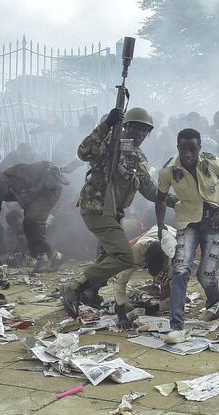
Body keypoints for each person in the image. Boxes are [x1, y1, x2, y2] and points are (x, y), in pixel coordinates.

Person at [60, 107, 176, 318]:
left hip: (114, 214)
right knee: (123, 257)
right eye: (136, 129)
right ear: (125, 126)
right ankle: (74, 287)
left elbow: (150, 190)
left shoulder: (138, 157)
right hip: (96, 209)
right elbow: (83, 152)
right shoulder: (107, 145)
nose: (140, 135)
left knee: (106, 261)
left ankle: (89, 293)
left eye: (145, 131)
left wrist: (176, 202)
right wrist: (106, 126)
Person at [156, 128, 219, 344]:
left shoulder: (211, 163)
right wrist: (160, 226)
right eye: (184, 149)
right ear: (178, 148)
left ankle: (215, 304)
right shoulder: (168, 170)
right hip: (187, 221)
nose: (188, 154)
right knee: (181, 269)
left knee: (206, 274)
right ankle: (176, 327)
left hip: (214, 221)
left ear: (200, 147)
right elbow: (161, 198)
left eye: (193, 148)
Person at [0, 161, 65, 273]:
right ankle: (53, 257)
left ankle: (46, 257)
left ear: (6, 182)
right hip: (30, 200)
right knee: (28, 227)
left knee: (31, 220)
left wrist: (39, 186)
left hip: (50, 190)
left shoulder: (20, 172)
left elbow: (46, 164)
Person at [113, 225, 177, 327]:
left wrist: (155, 308)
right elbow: (120, 281)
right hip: (152, 234)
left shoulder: (175, 258)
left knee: (170, 292)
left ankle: (162, 289)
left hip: (172, 235)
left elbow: (177, 293)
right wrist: (121, 316)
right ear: (144, 260)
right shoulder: (137, 252)